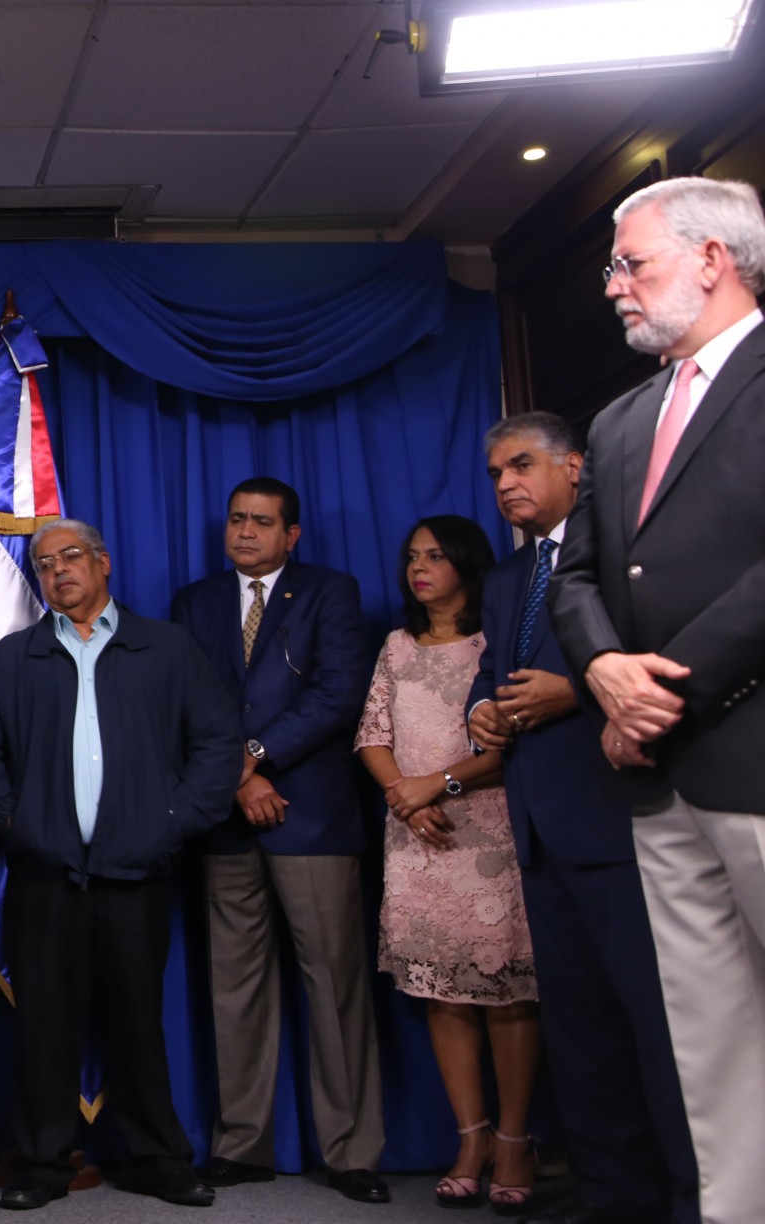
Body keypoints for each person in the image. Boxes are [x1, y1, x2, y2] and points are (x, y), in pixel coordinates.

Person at [549, 175, 765, 1224]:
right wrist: (602, 670)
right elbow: (576, 576)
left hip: (749, 750)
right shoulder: (622, 416)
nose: (613, 286)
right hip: (657, 781)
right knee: (709, 1041)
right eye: (612, 268)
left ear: (713, 258)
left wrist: (663, 688)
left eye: (632, 264)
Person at [0, 518, 242, 1211]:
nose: (57, 571)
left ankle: (158, 1160)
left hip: (137, 870)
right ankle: (42, 1163)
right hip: (45, 872)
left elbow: (217, 743)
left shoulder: (167, 647)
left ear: (103, 562)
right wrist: (15, 820)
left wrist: (172, 821)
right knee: (44, 1026)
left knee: (137, 1021)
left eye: (71, 557)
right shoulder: (14, 656)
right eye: (44, 563)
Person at [469, 415, 697, 1224]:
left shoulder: (631, 550)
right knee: (580, 1030)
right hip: (539, 828)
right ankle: (613, 1194)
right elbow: (492, 674)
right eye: (496, 473)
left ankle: (689, 1197)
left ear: (574, 467)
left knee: (659, 1026)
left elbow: (676, 658)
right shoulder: (508, 577)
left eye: (521, 465)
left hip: (623, 819)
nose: (506, 484)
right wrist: (481, 713)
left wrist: (579, 690)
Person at [168, 478, 386, 1204]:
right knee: (235, 988)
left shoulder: (331, 591)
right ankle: (241, 1143)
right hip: (226, 818)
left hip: (311, 815)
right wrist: (237, 781)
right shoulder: (195, 601)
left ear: (292, 534)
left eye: (262, 522)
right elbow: (184, 702)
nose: (245, 532)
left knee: (335, 984)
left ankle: (352, 1152)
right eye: (237, 519)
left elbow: (338, 692)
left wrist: (254, 756)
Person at [355, 515, 539, 1213]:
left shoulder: (500, 640)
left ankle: (516, 1141)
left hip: (489, 835)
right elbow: (372, 735)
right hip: (418, 838)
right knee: (444, 994)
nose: (419, 568)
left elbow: (510, 743)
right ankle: (471, 1139)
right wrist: (405, 798)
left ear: (467, 562)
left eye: (434, 556)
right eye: (411, 557)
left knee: (506, 995)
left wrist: (440, 785)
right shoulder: (397, 645)